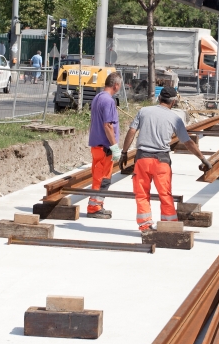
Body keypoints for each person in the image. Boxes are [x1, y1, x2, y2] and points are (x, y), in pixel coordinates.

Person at [119, 86, 211, 232]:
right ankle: (169, 226)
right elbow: (187, 142)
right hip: (162, 161)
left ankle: (145, 225)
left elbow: (131, 131)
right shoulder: (175, 118)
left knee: (142, 194)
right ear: (173, 102)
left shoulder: (144, 111)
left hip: (142, 159)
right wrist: (202, 158)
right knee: (165, 195)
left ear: (159, 98)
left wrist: (124, 152)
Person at [86, 72, 122, 219]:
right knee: (102, 179)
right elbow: (107, 126)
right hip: (104, 147)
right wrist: (114, 147)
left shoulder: (98, 97)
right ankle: (94, 208)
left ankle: (97, 205)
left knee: (99, 177)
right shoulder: (108, 101)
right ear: (116, 85)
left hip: (98, 146)